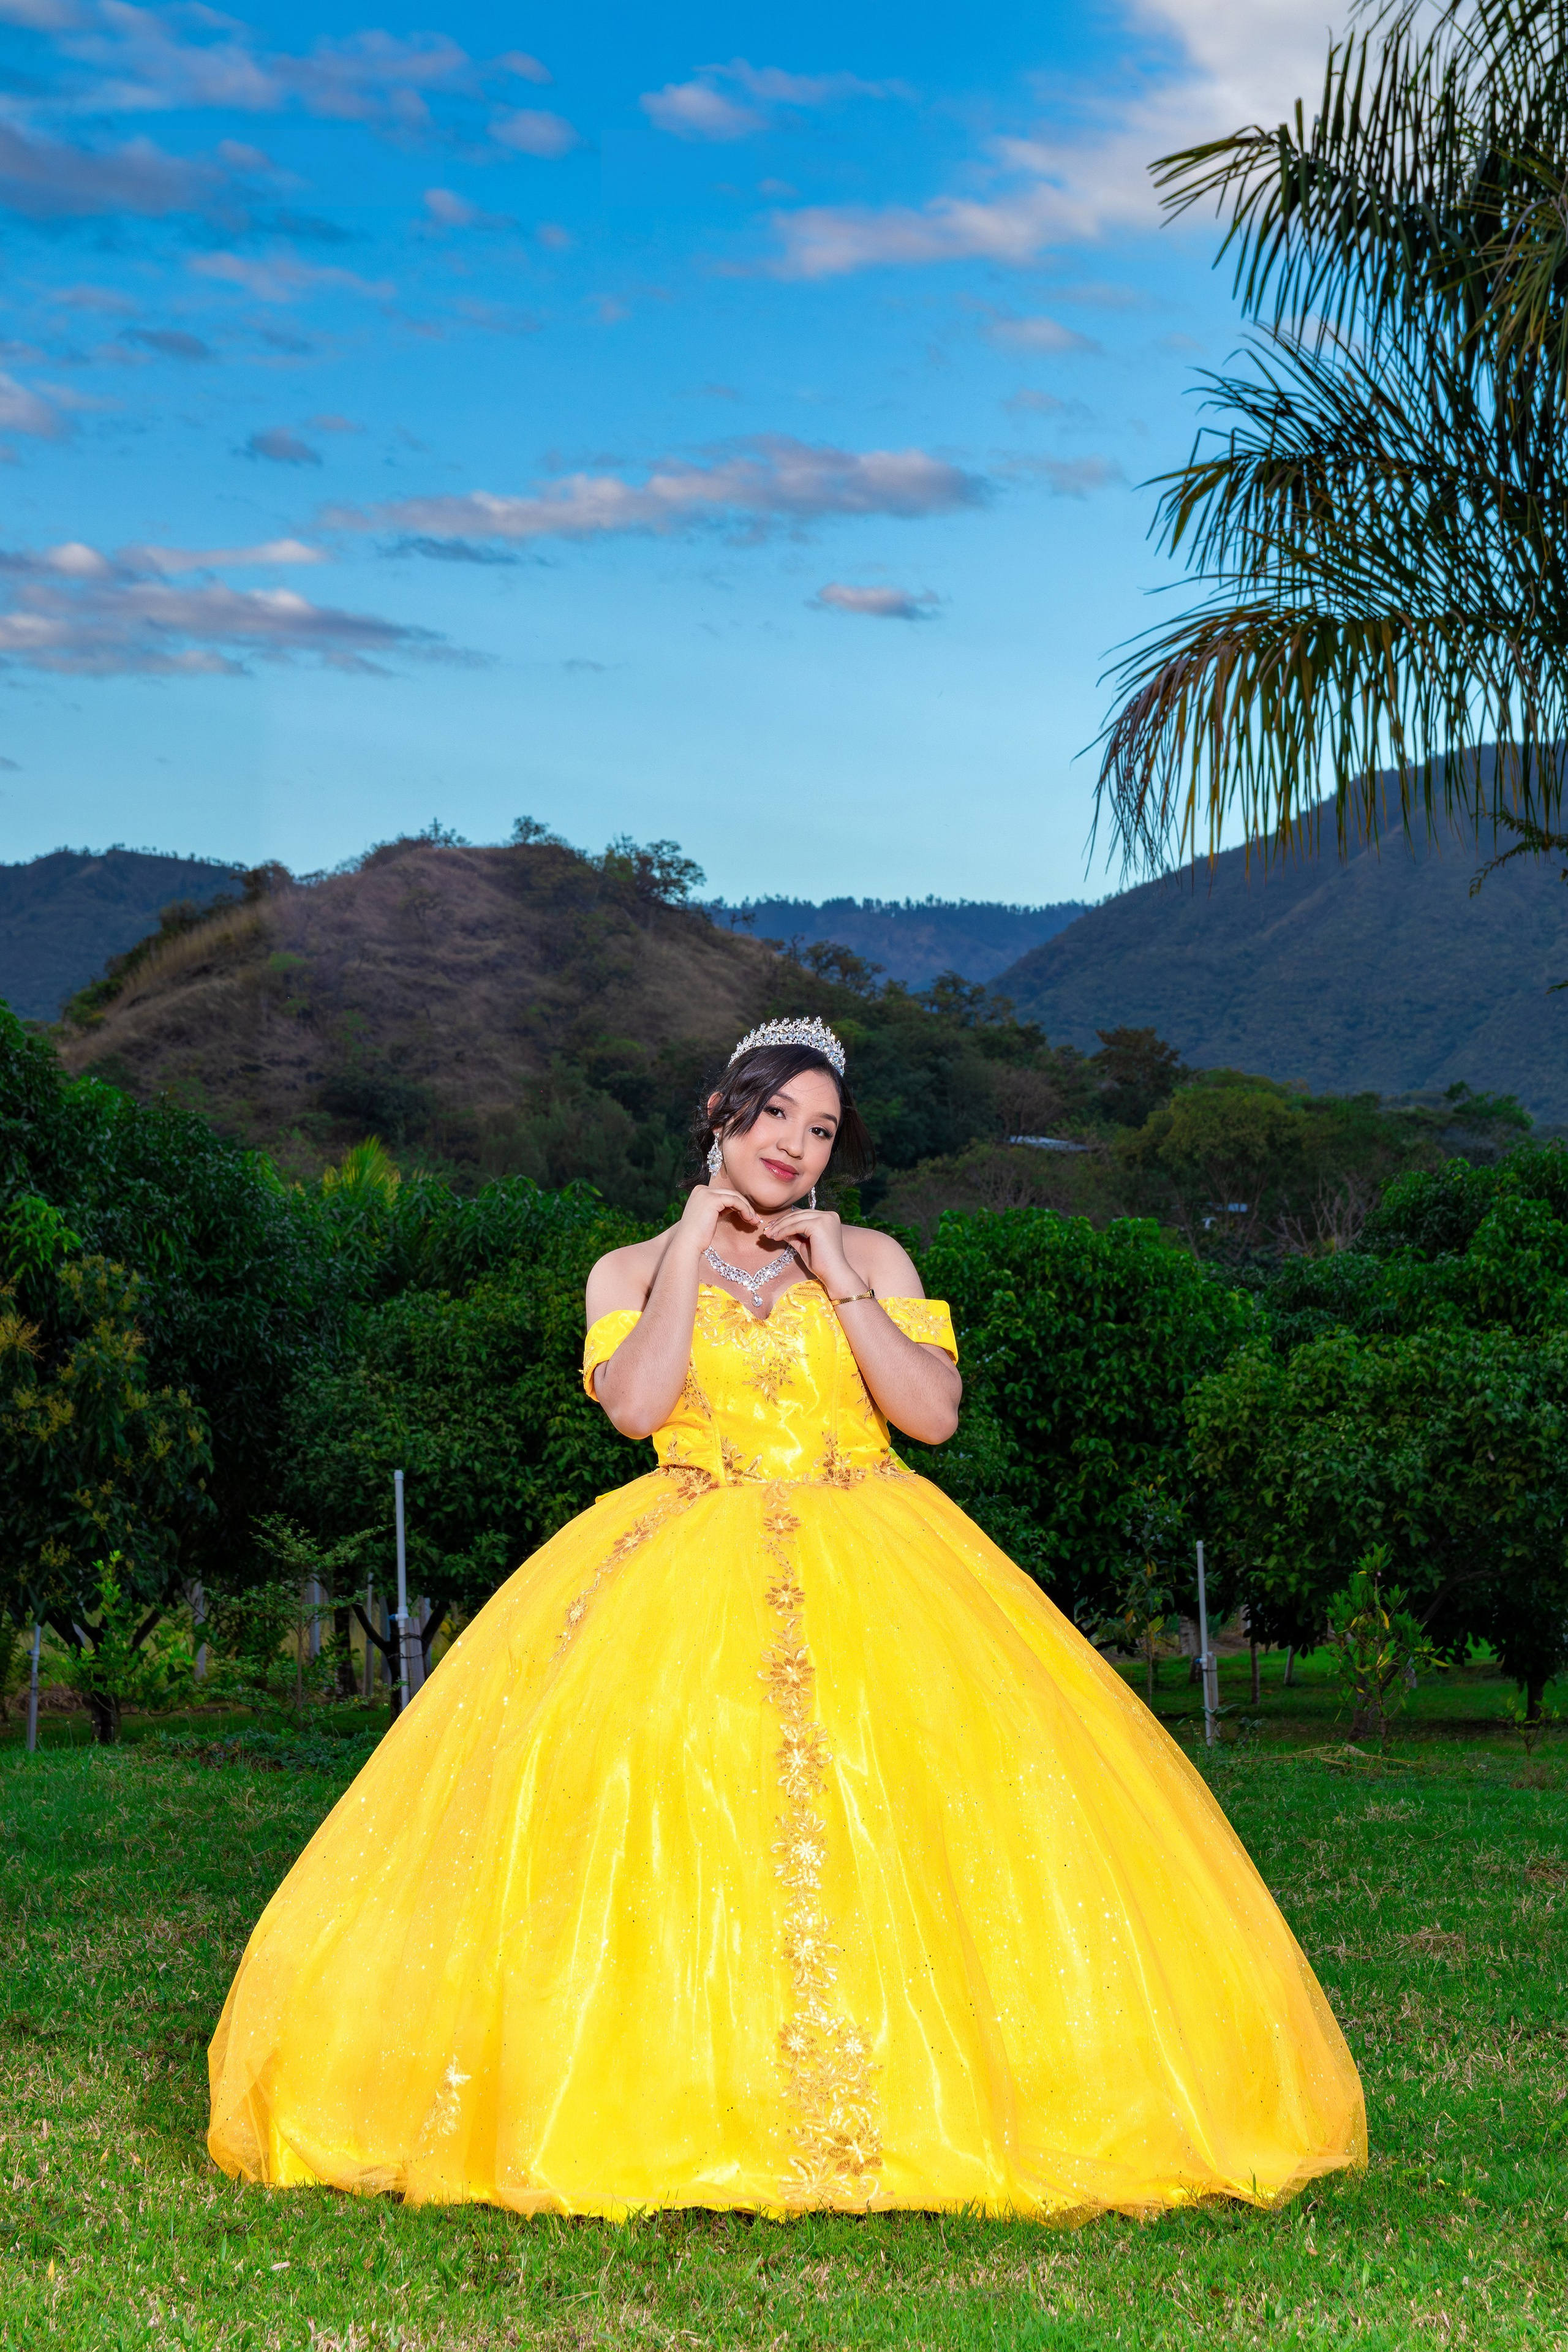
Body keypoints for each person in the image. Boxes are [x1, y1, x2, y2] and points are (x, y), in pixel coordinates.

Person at [208, 1014, 1365, 2220]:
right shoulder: (625, 1271)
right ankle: (684, 2100)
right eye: (775, 1119)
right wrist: (691, 1242)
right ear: (723, 1114)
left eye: (820, 1133)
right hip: (682, 1561)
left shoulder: (872, 1255)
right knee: (665, 1803)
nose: (795, 1147)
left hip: (878, 1553)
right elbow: (640, 1407)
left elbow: (930, 1418)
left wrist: (843, 1283)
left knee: (924, 1811)